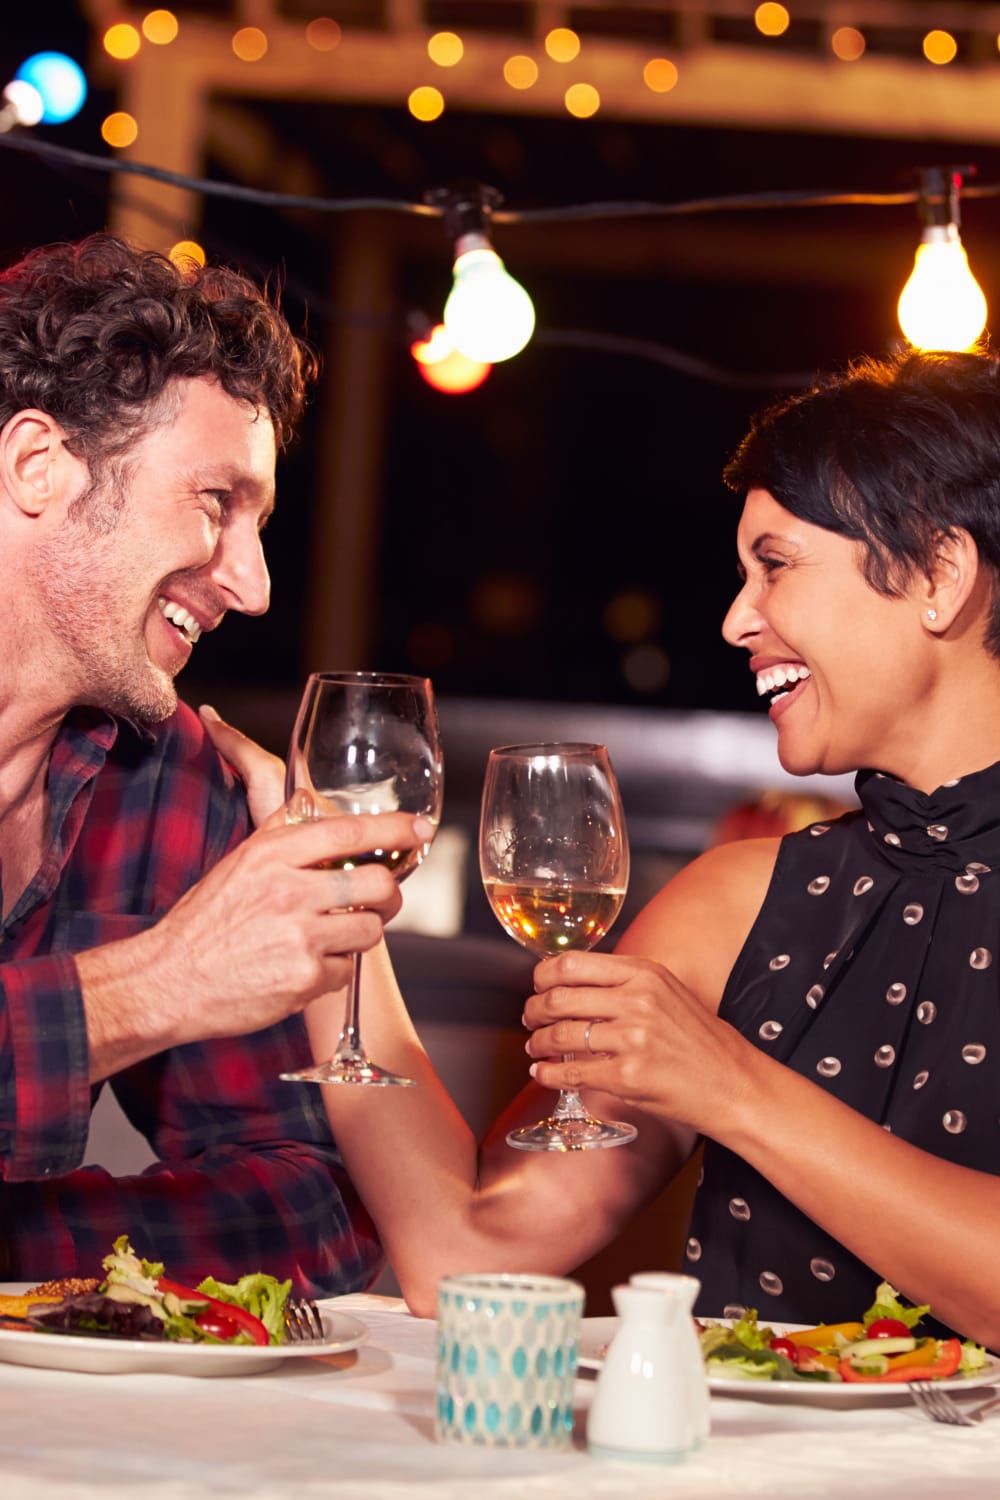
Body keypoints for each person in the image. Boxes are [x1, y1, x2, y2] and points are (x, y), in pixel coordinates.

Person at [295, 348, 1000, 1348]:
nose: (735, 619)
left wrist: (730, 1084)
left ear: (939, 573)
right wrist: (335, 922)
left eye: (776, 563)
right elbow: (468, 1255)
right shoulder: (735, 906)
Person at [0, 233, 428, 1291]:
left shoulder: (171, 779)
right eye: (215, 501)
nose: (254, 582)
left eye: (262, 521)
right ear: (37, 468)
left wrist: (23, 1260)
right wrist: (162, 982)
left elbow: (314, 1204)